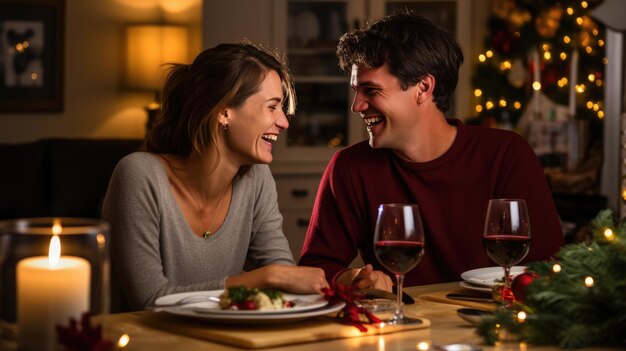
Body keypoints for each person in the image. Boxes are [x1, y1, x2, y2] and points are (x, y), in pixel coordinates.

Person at [298, 12, 564, 290]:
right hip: (397, 326)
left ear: (423, 88)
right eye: (356, 90)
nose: (357, 106)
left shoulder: (506, 154)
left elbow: (548, 266)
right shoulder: (350, 167)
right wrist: (353, 279)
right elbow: (316, 268)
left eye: (371, 90)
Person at [102, 42, 328, 312]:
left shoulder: (256, 178)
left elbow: (283, 278)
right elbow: (150, 299)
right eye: (272, 107)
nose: (284, 122)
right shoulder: (139, 175)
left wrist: (338, 282)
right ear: (224, 112)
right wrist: (262, 279)